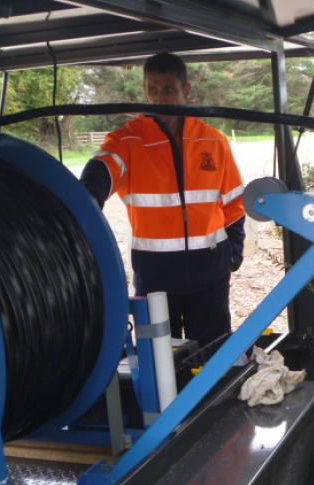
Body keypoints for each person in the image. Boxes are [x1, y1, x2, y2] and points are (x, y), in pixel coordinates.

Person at [80, 52, 246, 349]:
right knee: (160, 362)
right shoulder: (127, 141)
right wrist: (89, 193)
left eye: (168, 89)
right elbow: (105, 165)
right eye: (152, 90)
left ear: (187, 90)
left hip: (210, 273)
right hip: (155, 278)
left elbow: (234, 202)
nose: (159, 99)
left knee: (213, 353)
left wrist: (233, 254)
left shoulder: (214, 141)